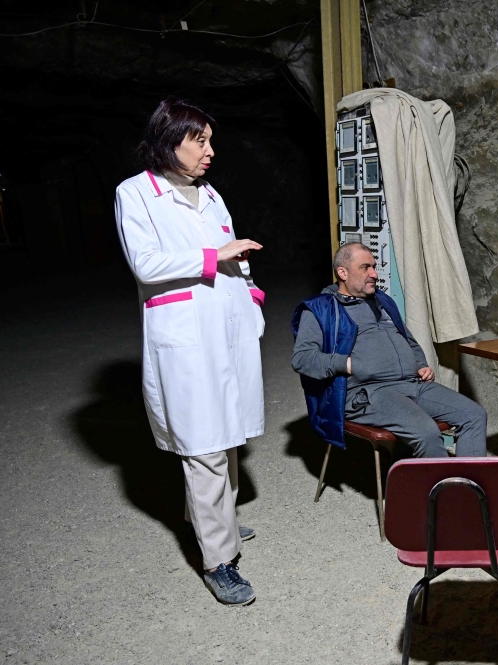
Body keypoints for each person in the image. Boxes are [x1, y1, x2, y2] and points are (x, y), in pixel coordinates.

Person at [115, 98, 265, 606]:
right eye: (198, 140)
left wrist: (252, 296)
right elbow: (145, 263)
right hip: (185, 335)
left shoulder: (210, 193)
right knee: (204, 442)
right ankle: (219, 561)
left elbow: (235, 251)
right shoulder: (136, 193)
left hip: (228, 326)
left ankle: (215, 520)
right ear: (167, 141)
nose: (209, 150)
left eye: (210, 140)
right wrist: (214, 256)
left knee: (226, 431)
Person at [291, 243, 487, 459]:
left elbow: (408, 339)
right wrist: (348, 364)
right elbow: (302, 359)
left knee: (474, 415)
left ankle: (467, 479)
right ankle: (440, 482)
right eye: (365, 267)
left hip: (413, 384)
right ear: (343, 273)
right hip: (370, 392)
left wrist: (420, 364)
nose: (374, 274)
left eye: (374, 267)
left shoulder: (382, 301)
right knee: (426, 432)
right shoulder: (321, 309)